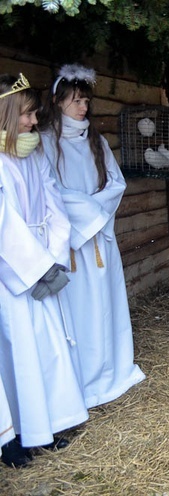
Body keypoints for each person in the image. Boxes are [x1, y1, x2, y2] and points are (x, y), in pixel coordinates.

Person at [38, 64, 145, 408]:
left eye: (85, 100)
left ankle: (111, 371)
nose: (82, 108)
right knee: (80, 312)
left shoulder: (96, 142)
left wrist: (95, 214)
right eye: (75, 101)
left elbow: (116, 185)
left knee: (104, 308)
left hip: (99, 242)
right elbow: (53, 193)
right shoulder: (44, 143)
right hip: (71, 245)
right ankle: (82, 380)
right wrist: (88, 214)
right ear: (57, 101)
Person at [0, 73, 89, 463]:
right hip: (13, 272)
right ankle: (15, 436)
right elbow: (5, 226)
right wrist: (33, 267)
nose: (35, 122)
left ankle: (46, 424)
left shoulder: (33, 155)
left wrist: (52, 258)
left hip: (42, 266)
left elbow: (55, 206)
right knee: (18, 351)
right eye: (28, 115)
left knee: (49, 347)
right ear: (7, 114)